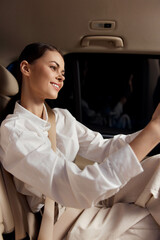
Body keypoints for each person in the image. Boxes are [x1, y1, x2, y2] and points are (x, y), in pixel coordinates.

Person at [1, 42, 160, 238]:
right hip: (60, 220)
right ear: (26, 68)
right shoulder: (14, 131)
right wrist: (154, 132)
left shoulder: (60, 117)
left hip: (84, 199)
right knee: (151, 223)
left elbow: (103, 147)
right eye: (53, 67)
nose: (61, 76)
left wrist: (152, 128)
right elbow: (74, 186)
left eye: (63, 71)